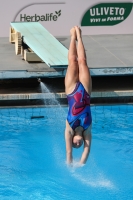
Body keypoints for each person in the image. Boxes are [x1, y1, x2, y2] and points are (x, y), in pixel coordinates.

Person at [65, 26, 92, 165]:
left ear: (72, 140)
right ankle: (79, 37)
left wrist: (70, 168)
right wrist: (81, 164)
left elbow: (69, 153)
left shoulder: (69, 129)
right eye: (79, 146)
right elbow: (87, 150)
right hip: (86, 91)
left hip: (71, 91)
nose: (78, 144)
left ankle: (72, 37)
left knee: (72, 63)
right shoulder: (87, 130)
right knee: (82, 61)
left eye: (75, 144)